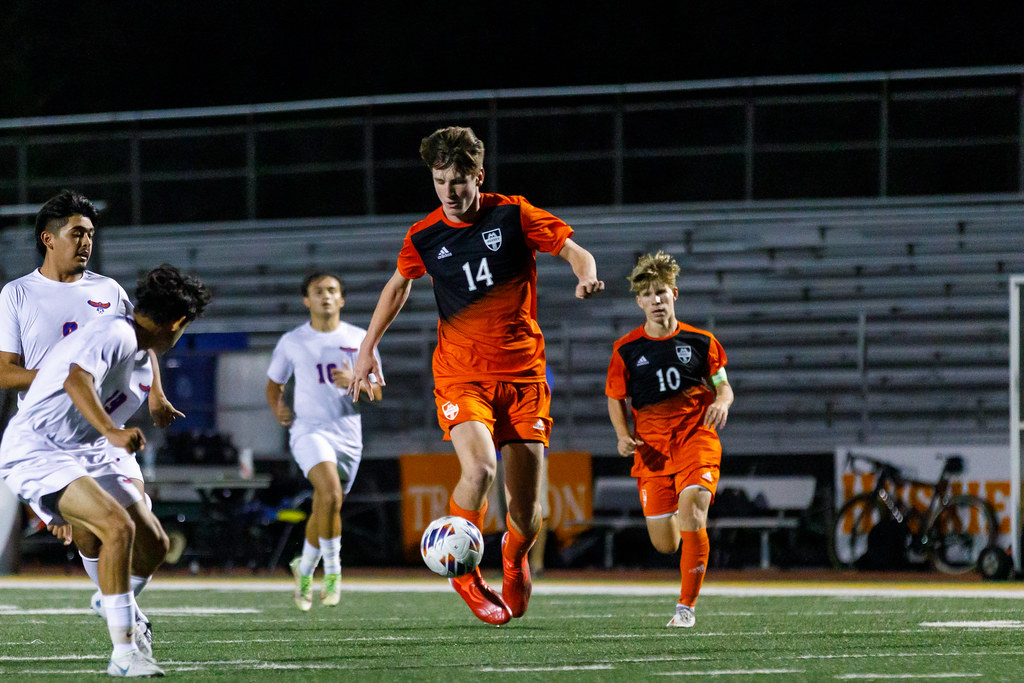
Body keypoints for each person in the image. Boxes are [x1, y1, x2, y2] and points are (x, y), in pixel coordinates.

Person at [349, 126, 604, 625]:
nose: (451, 190)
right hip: (462, 375)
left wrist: (585, 274)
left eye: (460, 180)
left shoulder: (513, 213)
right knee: (480, 468)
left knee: (526, 513)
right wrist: (367, 349)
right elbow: (397, 288)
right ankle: (463, 573)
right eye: (441, 180)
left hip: (524, 376)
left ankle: (514, 557)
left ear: (478, 176)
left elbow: (575, 250)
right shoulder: (423, 235)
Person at [0, 264, 210, 676]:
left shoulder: (139, 343)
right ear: (178, 323)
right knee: (118, 528)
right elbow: (77, 380)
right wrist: (112, 430)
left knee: (155, 545)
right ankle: (125, 652)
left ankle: (114, 599)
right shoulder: (115, 333)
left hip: (87, 448)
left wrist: (143, 408)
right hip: (39, 447)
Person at [0, 190, 182, 646]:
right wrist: (63, 374)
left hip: (101, 433)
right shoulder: (17, 294)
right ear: (48, 238)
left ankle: (118, 609)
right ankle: (117, 607)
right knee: (90, 538)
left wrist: (156, 393)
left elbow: (141, 341)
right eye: (77, 233)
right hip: (51, 435)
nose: (86, 243)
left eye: (91, 235)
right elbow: (5, 373)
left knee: (140, 521)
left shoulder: (108, 291)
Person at [605, 251, 733, 629]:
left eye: (662, 292)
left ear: (674, 294)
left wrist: (722, 402)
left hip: (696, 439)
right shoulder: (626, 349)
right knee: (665, 544)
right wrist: (622, 436)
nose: (656, 300)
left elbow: (723, 387)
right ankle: (683, 512)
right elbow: (615, 398)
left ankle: (686, 607)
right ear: (639, 301)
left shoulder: (701, 341)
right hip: (653, 452)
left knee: (693, 508)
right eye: (648, 295)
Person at [266, 272, 382, 611]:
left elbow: (377, 393)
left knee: (326, 504)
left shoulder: (361, 339)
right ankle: (333, 575)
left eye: (332, 291)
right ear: (307, 301)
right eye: (318, 292)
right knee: (330, 493)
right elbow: (274, 385)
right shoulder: (293, 341)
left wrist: (356, 382)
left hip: (347, 435)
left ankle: (303, 568)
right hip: (309, 431)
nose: (326, 297)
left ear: (342, 299)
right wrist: (279, 408)